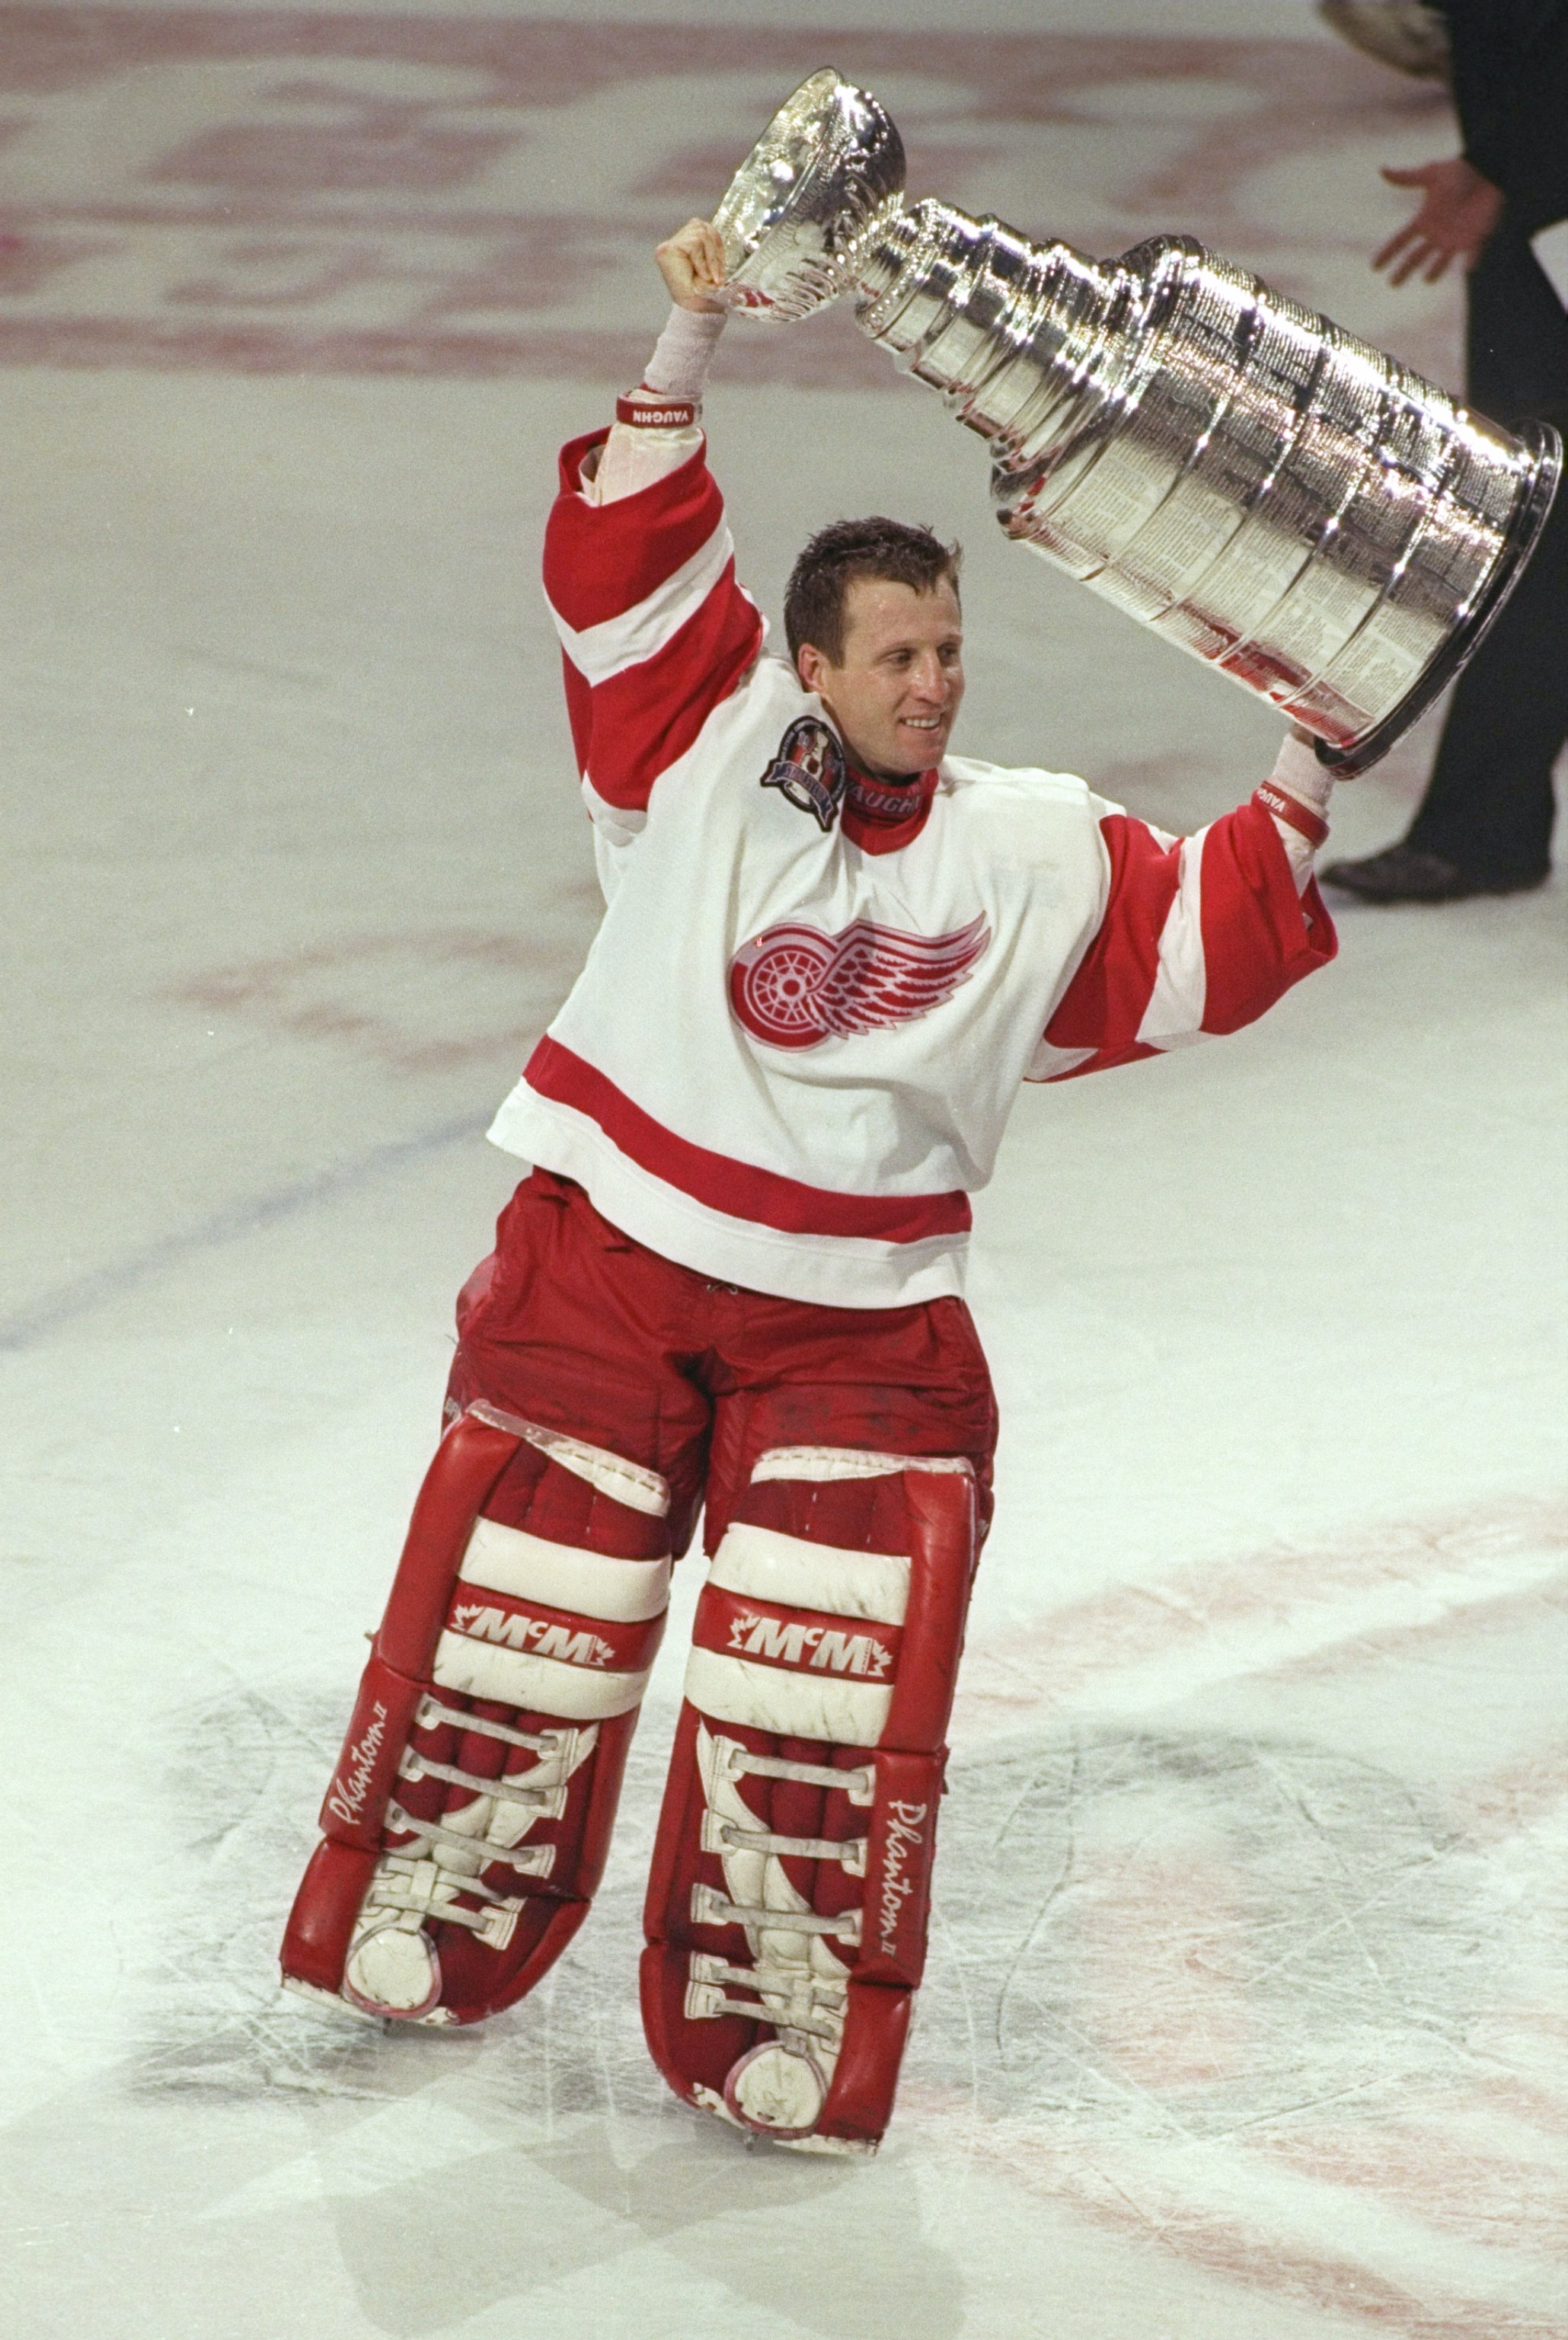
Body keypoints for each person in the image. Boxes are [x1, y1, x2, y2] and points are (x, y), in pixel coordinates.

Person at [279, 218, 1340, 2156]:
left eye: (952, 649)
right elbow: (617, 550)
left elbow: (1212, 942)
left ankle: (772, 1975)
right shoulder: (693, 748)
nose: (935, 681)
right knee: (529, 1604)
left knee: (822, 1663)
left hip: (860, 1314)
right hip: (611, 1251)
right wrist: (691, 313)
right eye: (901, 653)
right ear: (815, 663)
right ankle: (436, 1886)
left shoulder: (1036, 846)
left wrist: (1310, 729)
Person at [1323, 0, 1568, 903]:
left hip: (1527, 202)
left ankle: (1482, 829)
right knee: (1538, 539)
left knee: (1541, 538)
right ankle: (1482, 828)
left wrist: (1513, 166)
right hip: (1523, 228)